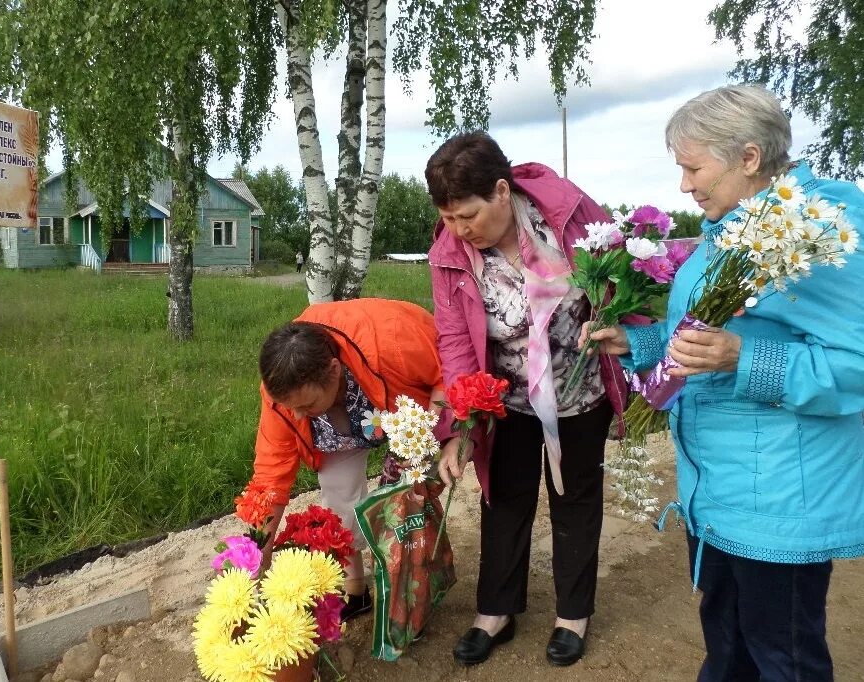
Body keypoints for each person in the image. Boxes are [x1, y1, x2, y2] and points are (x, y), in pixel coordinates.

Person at [585, 85, 864, 681]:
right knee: (728, 645)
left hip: (780, 494)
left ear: (748, 157)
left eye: (692, 167)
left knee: (783, 655)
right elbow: (707, 332)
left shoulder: (820, 230)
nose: (684, 185)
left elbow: (854, 362)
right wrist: (640, 344)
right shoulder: (729, 230)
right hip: (719, 488)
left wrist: (745, 359)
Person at [425, 131, 631, 667]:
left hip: (579, 388)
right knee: (505, 498)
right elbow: (454, 341)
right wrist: (460, 428)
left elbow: (620, 286)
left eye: (466, 215)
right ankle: (496, 611)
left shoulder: (569, 215)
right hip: (507, 398)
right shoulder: (449, 252)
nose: (458, 230)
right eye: (447, 218)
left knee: (576, 498)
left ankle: (572, 614)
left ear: (501, 191)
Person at [248, 297, 444, 622]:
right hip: (339, 432)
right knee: (337, 498)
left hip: (403, 410)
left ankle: (408, 598)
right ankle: (356, 590)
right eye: (290, 407)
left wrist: (424, 434)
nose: (296, 415)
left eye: (306, 405)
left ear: (334, 371)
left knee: (399, 501)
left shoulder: (394, 338)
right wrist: (261, 541)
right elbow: (271, 473)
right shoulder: (282, 390)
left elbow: (448, 370)